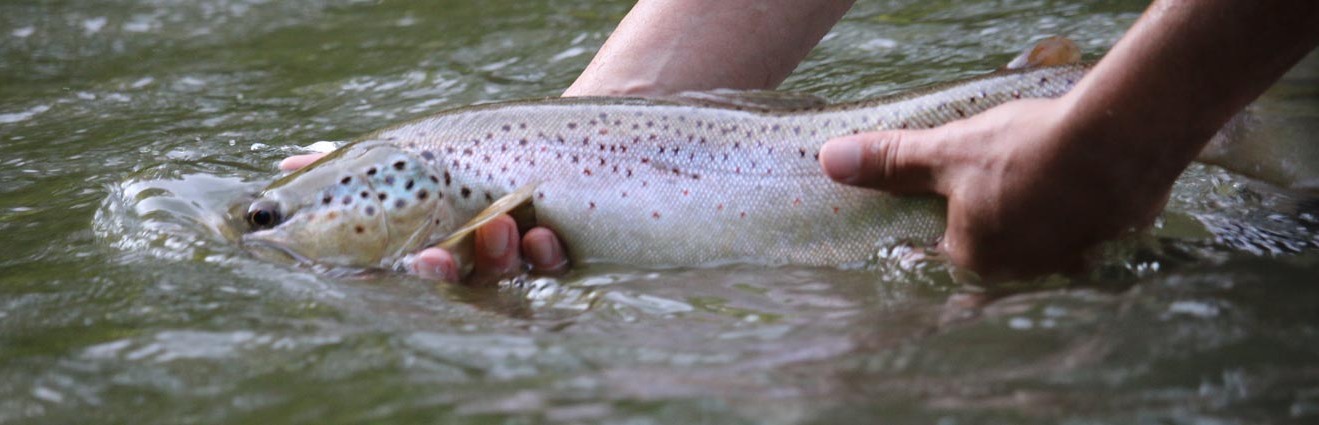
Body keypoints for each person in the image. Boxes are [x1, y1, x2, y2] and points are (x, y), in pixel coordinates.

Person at [282, 0, 1319, 281]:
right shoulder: (455, 175)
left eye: (272, 219)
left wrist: (1123, 133)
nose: (268, 231)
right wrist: (596, 111)